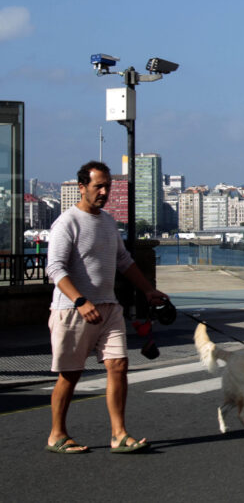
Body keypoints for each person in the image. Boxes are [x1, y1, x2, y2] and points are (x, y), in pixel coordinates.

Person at [45, 161, 168, 454]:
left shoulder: (108, 222)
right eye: (98, 186)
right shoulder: (67, 222)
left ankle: (119, 434)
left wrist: (148, 290)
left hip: (109, 307)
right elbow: (55, 269)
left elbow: (124, 261)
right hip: (73, 310)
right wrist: (80, 301)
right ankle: (57, 435)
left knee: (119, 365)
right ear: (82, 187)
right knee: (70, 374)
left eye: (107, 186)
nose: (104, 192)